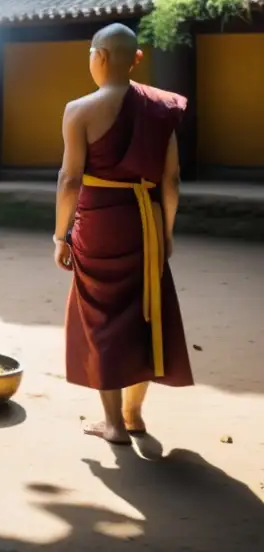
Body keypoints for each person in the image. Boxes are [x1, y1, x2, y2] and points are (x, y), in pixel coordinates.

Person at [54, 23, 193, 446]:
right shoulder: (162, 106)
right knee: (143, 313)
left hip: (97, 223)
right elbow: (171, 181)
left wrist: (61, 235)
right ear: (135, 58)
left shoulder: (79, 110)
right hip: (145, 221)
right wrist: (165, 232)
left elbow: (69, 181)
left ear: (97, 57)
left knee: (101, 322)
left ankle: (113, 422)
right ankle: (133, 416)